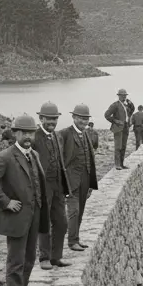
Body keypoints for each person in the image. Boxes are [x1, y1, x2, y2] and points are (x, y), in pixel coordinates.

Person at [0, 113, 49, 286]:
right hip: (17, 217)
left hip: (34, 216)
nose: (28, 136)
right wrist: (5, 202)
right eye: (24, 132)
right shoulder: (5, 157)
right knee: (15, 261)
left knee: (29, 258)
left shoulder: (33, 155)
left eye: (31, 133)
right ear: (15, 133)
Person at [31, 103, 70, 274]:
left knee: (61, 222)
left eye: (55, 119)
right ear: (41, 119)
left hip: (58, 186)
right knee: (44, 222)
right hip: (43, 186)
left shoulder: (57, 137)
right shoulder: (34, 138)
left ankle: (56, 256)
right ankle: (44, 257)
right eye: (49, 119)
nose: (52, 122)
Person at [59, 103, 98, 254]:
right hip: (71, 181)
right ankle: (71, 241)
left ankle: (75, 238)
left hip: (85, 180)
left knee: (80, 210)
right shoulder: (64, 134)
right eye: (81, 118)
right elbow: (59, 159)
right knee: (73, 211)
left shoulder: (86, 134)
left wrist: (90, 183)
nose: (83, 121)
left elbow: (90, 158)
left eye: (86, 119)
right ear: (74, 117)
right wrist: (63, 182)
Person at [103, 88, 132, 170]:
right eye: (122, 95)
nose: (124, 97)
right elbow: (107, 115)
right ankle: (117, 165)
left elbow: (131, 111)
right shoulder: (115, 105)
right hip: (118, 128)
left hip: (125, 127)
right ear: (119, 96)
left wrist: (130, 103)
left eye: (125, 95)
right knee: (118, 146)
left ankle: (122, 164)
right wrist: (116, 121)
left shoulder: (126, 106)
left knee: (123, 146)